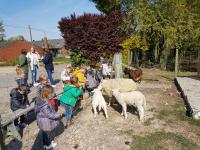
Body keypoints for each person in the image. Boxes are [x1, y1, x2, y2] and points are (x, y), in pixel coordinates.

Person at [35, 85, 62, 149]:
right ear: (47, 94)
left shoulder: (40, 99)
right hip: (45, 121)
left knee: (45, 133)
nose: (52, 95)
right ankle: (48, 145)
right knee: (47, 134)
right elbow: (49, 115)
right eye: (51, 94)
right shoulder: (45, 104)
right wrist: (58, 115)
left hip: (41, 119)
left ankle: (45, 144)